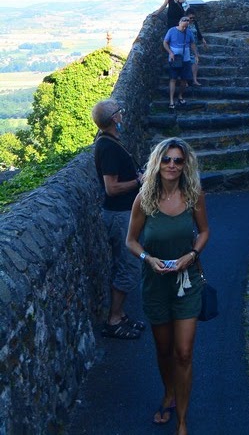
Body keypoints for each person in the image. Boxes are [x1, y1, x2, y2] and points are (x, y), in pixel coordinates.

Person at [126, 138, 209, 434]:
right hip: (156, 284)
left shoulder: (194, 195)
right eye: (167, 159)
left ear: (185, 165)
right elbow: (131, 241)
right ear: (157, 163)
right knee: (164, 350)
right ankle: (169, 392)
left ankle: (182, 421)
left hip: (186, 283)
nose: (172, 165)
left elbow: (204, 231)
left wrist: (192, 254)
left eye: (178, 160)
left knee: (183, 352)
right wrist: (148, 259)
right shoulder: (144, 199)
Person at [92, 99, 144, 340]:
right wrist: (139, 181)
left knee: (124, 264)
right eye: (118, 111)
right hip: (119, 215)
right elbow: (111, 188)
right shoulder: (108, 147)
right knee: (129, 266)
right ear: (114, 118)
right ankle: (113, 320)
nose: (122, 114)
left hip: (123, 213)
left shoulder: (109, 141)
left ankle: (120, 315)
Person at [163, 16, 199, 109]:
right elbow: (165, 42)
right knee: (173, 79)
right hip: (174, 59)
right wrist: (170, 53)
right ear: (179, 22)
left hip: (186, 59)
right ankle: (171, 100)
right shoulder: (172, 31)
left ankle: (180, 96)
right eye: (184, 20)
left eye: (188, 20)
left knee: (184, 79)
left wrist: (196, 55)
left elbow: (192, 44)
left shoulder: (189, 32)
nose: (186, 21)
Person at [182, 11, 207, 86]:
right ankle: (185, 81)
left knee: (195, 62)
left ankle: (194, 80)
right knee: (186, 63)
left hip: (194, 46)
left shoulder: (194, 23)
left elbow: (198, 32)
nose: (192, 19)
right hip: (186, 46)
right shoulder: (183, 24)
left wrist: (203, 40)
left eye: (193, 18)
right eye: (191, 18)